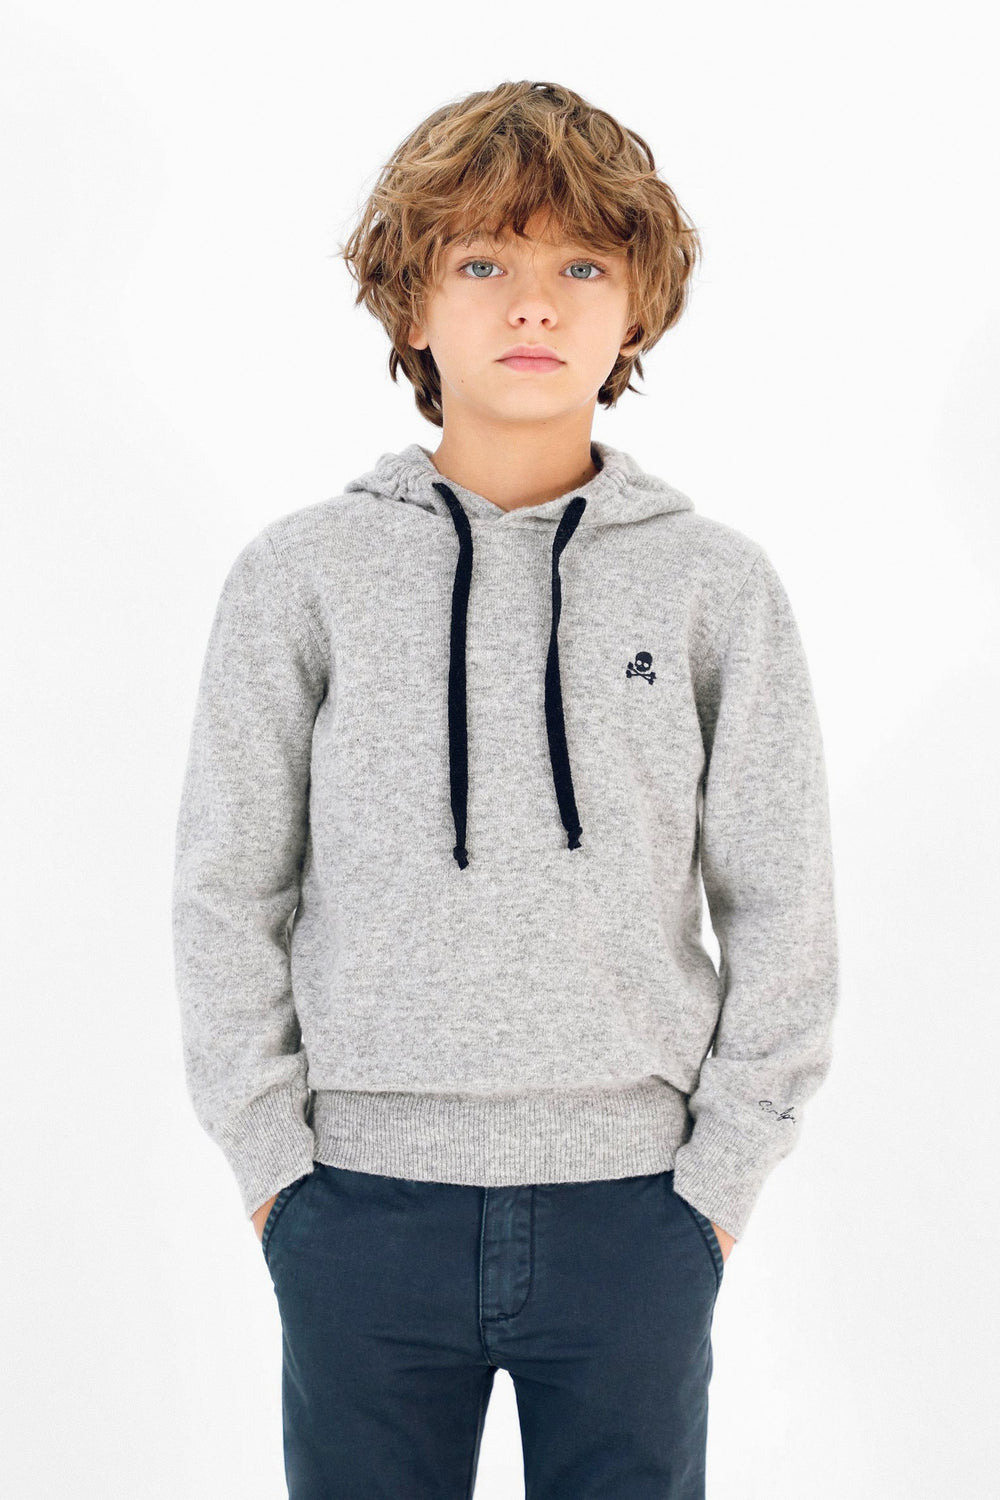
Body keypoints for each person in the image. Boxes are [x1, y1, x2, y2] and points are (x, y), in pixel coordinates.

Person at [172, 78, 839, 1500]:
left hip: (638, 1216)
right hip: (355, 1212)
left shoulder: (715, 586)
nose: (533, 305)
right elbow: (227, 887)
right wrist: (274, 1170)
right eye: (483, 263)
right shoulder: (303, 576)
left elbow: (784, 903)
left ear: (637, 308)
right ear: (413, 302)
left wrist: (719, 1188)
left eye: (581, 266)